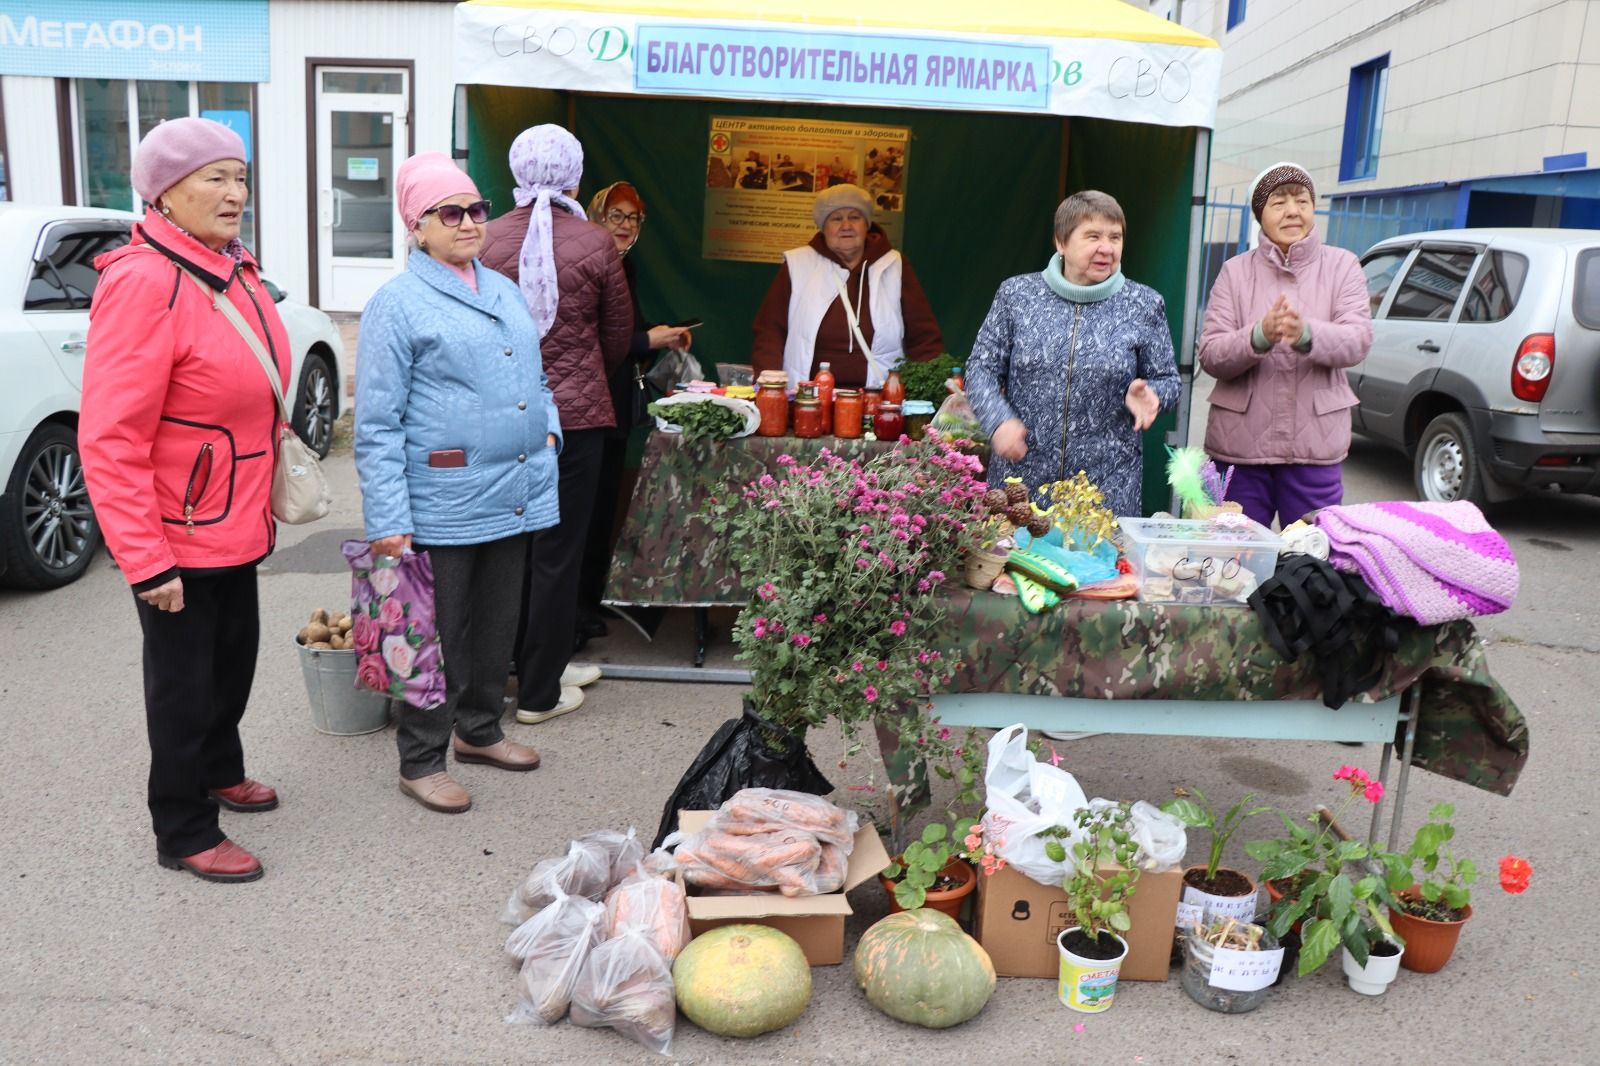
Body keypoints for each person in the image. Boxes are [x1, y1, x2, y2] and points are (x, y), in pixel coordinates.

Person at [79, 117, 285, 882]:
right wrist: (144, 559)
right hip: (178, 530)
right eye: (215, 178)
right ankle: (183, 826)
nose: (235, 194)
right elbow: (109, 436)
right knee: (183, 684)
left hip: (234, 516)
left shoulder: (227, 266)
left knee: (232, 664)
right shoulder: (144, 279)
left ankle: (219, 768)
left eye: (241, 177)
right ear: (164, 190)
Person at [355, 152, 557, 814]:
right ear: (418, 228)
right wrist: (388, 518)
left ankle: (477, 730)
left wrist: (549, 430)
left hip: (514, 488)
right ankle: (419, 760)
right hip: (439, 496)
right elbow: (377, 422)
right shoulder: (397, 303)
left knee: (496, 623)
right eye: (451, 212)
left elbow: (538, 376)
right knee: (429, 630)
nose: (470, 222)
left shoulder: (499, 286)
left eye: (476, 209)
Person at [480, 125, 632, 724]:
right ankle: (540, 690)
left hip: (503, 419)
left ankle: (517, 671)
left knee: (509, 550)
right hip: (577, 416)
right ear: (574, 174)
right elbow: (617, 336)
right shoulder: (596, 244)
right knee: (558, 552)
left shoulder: (485, 240)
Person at [966, 190, 1181, 519]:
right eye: (1093, 236)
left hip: (1106, 489)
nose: (1106, 248)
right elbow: (981, 369)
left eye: (1115, 237)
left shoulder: (1144, 303)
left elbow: (1168, 381)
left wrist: (1152, 395)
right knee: (1014, 569)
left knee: (1100, 569)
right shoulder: (1016, 295)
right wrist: (998, 422)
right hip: (1022, 480)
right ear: (1061, 242)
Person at [1197, 162, 1371, 528]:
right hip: (1239, 449)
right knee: (1235, 563)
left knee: (1311, 561)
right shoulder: (1235, 271)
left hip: (1314, 450)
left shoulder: (1343, 266)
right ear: (1260, 214)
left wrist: (1306, 334)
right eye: (1279, 202)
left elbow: (1357, 340)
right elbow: (1211, 353)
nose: (1293, 210)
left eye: (1302, 200)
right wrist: (1258, 336)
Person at [576, 180, 689, 636]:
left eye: (632, 217)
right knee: (583, 512)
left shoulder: (626, 265)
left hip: (614, 405)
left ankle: (589, 600)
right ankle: (576, 614)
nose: (624, 225)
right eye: (615, 215)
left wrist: (653, 335)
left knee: (603, 506)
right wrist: (649, 339)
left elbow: (625, 332)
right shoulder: (586, 264)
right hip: (585, 405)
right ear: (596, 217)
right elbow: (594, 338)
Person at [751, 183, 943, 390]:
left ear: (867, 224)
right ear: (823, 227)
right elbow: (770, 332)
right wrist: (769, 386)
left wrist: (931, 390)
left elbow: (923, 336)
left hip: (878, 397)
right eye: (835, 218)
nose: (846, 226)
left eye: (854, 217)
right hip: (807, 397)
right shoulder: (798, 263)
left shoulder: (894, 264)